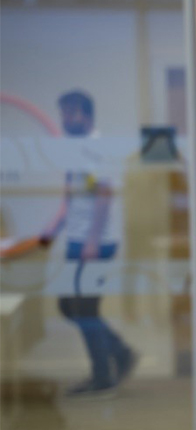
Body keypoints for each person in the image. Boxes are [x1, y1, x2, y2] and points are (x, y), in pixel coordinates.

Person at [43, 90, 137, 397]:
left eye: (72, 112)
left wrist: (93, 241)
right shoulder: (75, 149)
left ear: (87, 116)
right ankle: (120, 353)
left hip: (95, 243)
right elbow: (72, 197)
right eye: (64, 112)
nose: (66, 119)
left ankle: (102, 375)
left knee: (83, 309)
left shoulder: (96, 149)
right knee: (70, 307)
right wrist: (53, 230)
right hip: (77, 239)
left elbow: (104, 194)